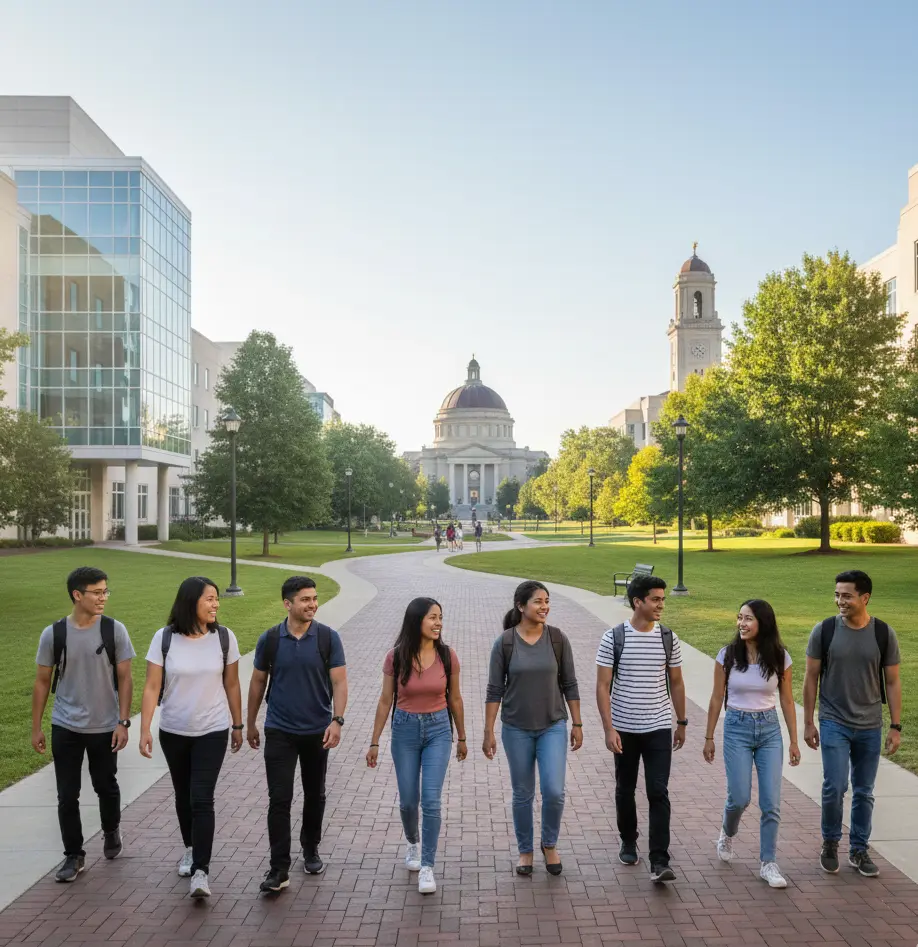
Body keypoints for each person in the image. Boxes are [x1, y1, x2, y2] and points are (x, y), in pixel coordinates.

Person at [140, 576, 243, 899]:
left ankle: (201, 870)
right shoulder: (164, 638)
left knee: (202, 797)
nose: (216, 604)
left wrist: (238, 724)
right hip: (173, 730)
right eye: (209, 599)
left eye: (216, 599)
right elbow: (152, 686)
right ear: (190, 602)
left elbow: (232, 684)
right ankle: (189, 847)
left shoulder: (224, 638)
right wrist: (144, 729)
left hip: (212, 730)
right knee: (183, 795)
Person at [32, 567, 135, 883]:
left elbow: (125, 677)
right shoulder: (55, 634)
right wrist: (36, 727)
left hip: (105, 726)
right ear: (78, 595)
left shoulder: (114, 630)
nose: (103, 597)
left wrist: (123, 722)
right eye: (97, 592)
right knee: (67, 794)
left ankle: (111, 829)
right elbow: (41, 681)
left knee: (106, 785)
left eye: (106, 591)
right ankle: (73, 855)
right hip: (65, 725)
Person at [247, 576, 348, 894]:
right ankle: (279, 868)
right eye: (305, 599)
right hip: (279, 730)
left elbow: (340, 683)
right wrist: (249, 722)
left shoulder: (328, 638)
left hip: (317, 731)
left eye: (314, 598)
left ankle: (311, 849)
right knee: (279, 798)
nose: (313, 604)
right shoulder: (270, 639)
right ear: (287, 604)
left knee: (315, 793)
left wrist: (337, 721)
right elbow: (257, 683)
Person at [803, 570, 901, 878]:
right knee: (835, 785)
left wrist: (895, 726)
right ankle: (830, 843)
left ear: (865, 598)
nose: (839, 601)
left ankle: (859, 849)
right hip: (834, 720)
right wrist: (808, 721)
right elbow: (810, 678)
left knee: (864, 790)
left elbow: (893, 681)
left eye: (846, 595)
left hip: (870, 725)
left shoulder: (883, 633)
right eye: (837, 594)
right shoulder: (825, 630)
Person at [367, 597, 467, 894]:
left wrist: (462, 737)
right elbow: (386, 700)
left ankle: (427, 865)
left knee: (431, 799)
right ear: (416, 621)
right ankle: (412, 842)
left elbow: (455, 699)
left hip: (438, 730)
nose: (438, 623)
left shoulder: (448, 656)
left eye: (441, 617)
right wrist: (374, 741)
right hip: (405, 730)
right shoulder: (395, 657)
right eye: (432, 617)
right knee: (409, 801)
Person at [484, 581, 582, 876]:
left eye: (547, 601)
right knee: (523, 792)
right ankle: (525, 850)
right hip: (516, 728)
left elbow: (570, 684)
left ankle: (549, 844)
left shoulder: (557, 639)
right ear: (521, 606)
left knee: (553, 791)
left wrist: (577, 723)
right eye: (538, 601)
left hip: (553, 725)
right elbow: (493, 690)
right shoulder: (505, 642)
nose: (544, 607)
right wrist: (488, 730)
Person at [702, 600, 801, 888]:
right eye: (740, 618)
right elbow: (715, 698)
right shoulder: (728, 655)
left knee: (771, 802)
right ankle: (727, 831)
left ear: (764, 623)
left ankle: (768, 863)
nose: (741, 624)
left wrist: (794, 740)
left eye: (748, 619)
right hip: (736, 728)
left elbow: (786, 700)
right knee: (740, 797)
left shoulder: (780, 657)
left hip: (769, 730)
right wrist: (709, 737)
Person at [595, 575, 686, 883]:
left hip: (658, 726)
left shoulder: (668, 637)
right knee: (625, 788)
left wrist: (682, 722)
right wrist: (609, 729)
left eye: (663, 598)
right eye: (656, 599)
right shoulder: (613, 638)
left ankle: (660, 859)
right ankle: (628, 838)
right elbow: (602, 685)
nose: (662, 604)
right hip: (624, 727)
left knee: (658, 791)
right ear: (638, 602)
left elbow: (676, 681)